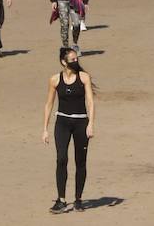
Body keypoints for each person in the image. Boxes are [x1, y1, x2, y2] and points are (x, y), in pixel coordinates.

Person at [41, 46, 96, 214]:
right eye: (72, 59)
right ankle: (61, 200)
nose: (75, 61)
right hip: (62, 123)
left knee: (80, 161)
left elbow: (90, 102)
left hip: (81, 123)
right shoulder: (55, 80)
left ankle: (78, 199)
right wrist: (45, 129)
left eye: (76, 59)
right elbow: (49, 104)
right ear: (63, 62)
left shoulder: (84, 77)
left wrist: (90, 124)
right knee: (61, 159)